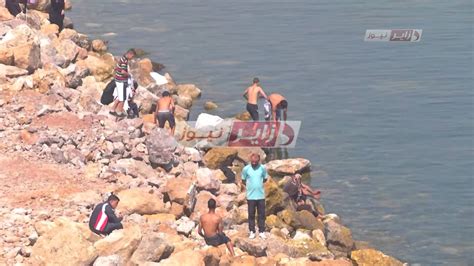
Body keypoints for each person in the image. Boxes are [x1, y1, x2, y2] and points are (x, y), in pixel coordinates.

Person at [241, 153, 268, 239]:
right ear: (250, 160)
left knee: (261, 214)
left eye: (255, 162)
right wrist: (250, 187)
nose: (254, 163)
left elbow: (265, 178)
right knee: (251, 214)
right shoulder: (246, 169)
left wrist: (258, 185)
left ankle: (262, 231)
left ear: (258, 161)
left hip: (260, 196)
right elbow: (243, 180)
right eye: (252, 162)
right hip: (251, 196)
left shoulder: (262, 168)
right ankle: (252, 231)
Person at [110, 49, 136, 117]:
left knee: (119, 97)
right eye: (132, 56)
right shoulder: (124, 61)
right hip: (121, 81)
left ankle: (112, 110)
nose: (132, 58)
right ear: (130, 54)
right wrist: (129, 75)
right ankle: (119, 112)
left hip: (118, 79)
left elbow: (117, 68)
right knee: (123, 98)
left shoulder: (122, 58)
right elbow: (123, 72)